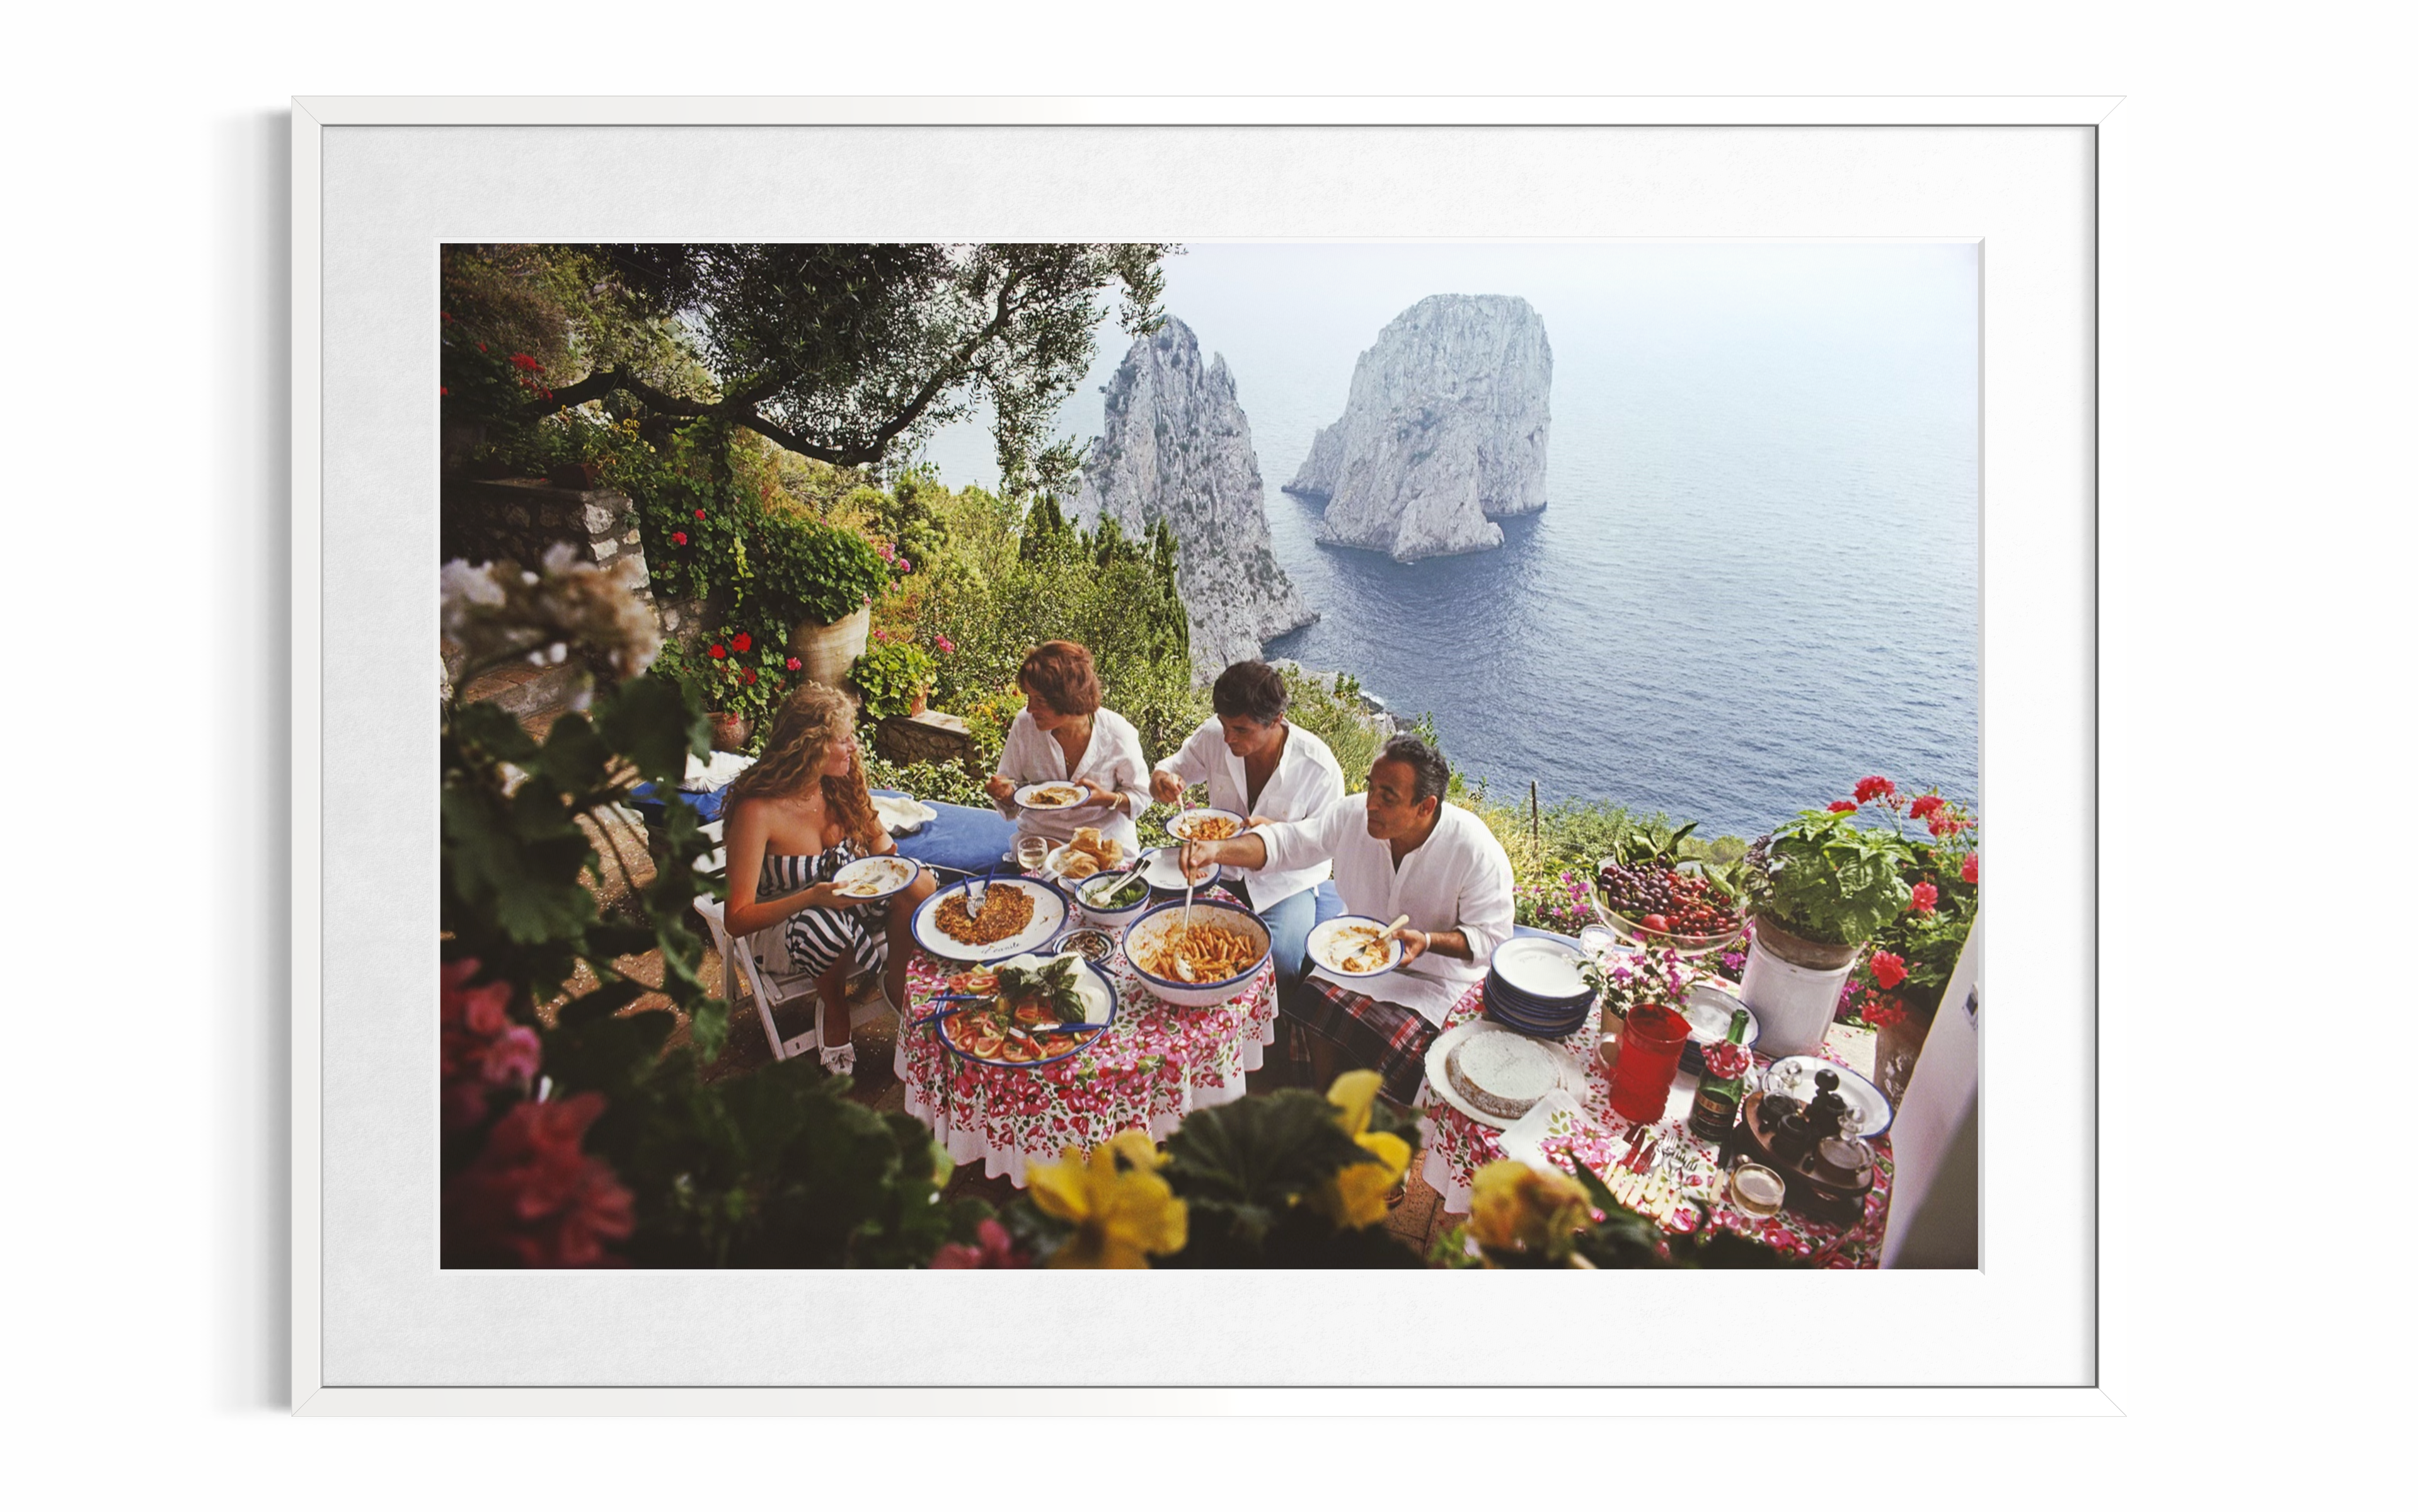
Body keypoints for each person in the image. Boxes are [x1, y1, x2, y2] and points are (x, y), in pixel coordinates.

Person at [1178, 733, 1513, 1109]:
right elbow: (1287, 844)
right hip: (1353, 956)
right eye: (1371, 788)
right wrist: (1216, 850)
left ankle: (1381, 1126)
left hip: (1435, 981)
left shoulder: (1473, 850)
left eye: (1389, 797)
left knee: (1402, 1048)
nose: (1371, 804)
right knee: (1311, 1002)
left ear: (1426, 806)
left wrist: (1428, 941)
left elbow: (1492, 939)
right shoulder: (1353, 816)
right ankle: (1327, 1106)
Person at [721, 684, 938, 1078]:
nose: (854, 747)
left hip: (843, 899)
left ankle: (898, 983)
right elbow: (736, 918)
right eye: (844, 739)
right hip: (783, 921)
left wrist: (901, 875)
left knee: (920, 885)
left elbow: (883, 848)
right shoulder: (758, 811)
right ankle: (835, 1006)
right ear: (811, 745)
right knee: (824, 926)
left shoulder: (840, 782)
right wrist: (810, 897)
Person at [1150, 660, 1345, 993]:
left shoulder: (1319, 767)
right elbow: (1172, 768)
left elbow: (1324, 843)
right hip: (1221, 872)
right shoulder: (1215, 735)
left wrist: (1277, 833)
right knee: (1167, 935)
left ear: (1277, 720)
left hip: (1285, 884)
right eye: (1224, 725)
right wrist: (1162, 781)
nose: (1228, 738)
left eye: (1241, 730)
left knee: (1280, 960)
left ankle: (1273, 1039)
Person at [984, 640, 1152, 857]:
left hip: (1103, 843)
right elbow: (1011, 786)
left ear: (1069, 699)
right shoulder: (1025, 725)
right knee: (1050, 877)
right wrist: (1005, 794)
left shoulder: (1118, 734)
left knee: (1089, 880)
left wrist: (1106, 798)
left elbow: (1142, 796)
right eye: (1029, 697)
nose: (1030, 708)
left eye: (1040, 701)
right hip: (1042, 839)